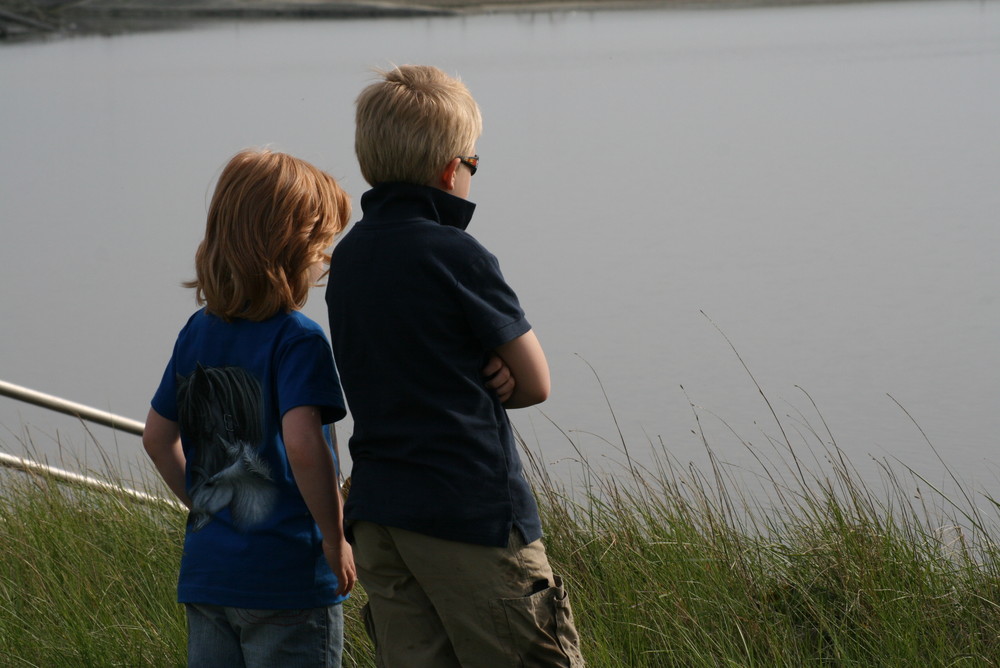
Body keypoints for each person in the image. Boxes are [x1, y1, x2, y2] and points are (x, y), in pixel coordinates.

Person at [325, 64, 585, 667]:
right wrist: (502, 378)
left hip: (381, 516)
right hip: (469, 511)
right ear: (451, 169)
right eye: (475, 164)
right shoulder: (457, 253)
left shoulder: (350, 257)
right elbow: (536, 382)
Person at [142, 148, 357, 668]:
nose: (325, 259)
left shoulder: (198, 331)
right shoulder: (298, 339)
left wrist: (203, 504)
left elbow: (155, 437)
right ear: (290, 246)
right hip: (288, 580)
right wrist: (335, 538)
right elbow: (304, 445)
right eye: (321, 244)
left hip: (209, 575)